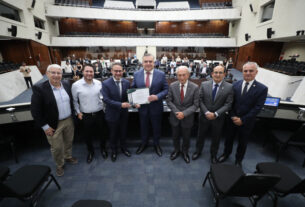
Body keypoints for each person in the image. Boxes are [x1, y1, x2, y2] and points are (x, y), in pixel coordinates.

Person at [31, 64, 78, 177]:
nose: (56, 75)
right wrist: (45, 127)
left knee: (68, 141)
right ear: (47, 74)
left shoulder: (66, 84)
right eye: (53, 72)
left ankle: (67, 156)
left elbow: (71, 102)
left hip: (68, 120)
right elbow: (35, 110)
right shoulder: (40, 89)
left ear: (62, 74)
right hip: (53, 124)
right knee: (56, 147)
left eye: (59, 73)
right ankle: (59, 164)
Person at [218, 62, 268, 167]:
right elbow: (229, 103)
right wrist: (232, 116)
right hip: (232, 119)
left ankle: (238, 160)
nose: (248, 73)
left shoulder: (262, 88)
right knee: (228, 139)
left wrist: (243, 119)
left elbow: (257, 108)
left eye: (251, 71)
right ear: (242, 72)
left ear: (256, 72)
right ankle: (226, 154)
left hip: (246, 122)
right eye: (245, 71)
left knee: (243, 143)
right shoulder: (235, 85)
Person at [192, 65, 233, 163]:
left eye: (220, 72)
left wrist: (215, 114)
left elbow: (228, 104)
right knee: (200, 135)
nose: (217, 75)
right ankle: (198, 151)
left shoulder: (229, 87)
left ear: (224, 74)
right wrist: (206, 112)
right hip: (204, 116)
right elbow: (200, 100)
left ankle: (213, 155)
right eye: (216, 72)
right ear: (212, 74)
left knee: (216, 137)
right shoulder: (204, 84)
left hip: (218, 118)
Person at [132, 53, 168, 156]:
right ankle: (144, 143)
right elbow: (132, 90)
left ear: (154, 62)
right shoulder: (136, 74)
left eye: (150, 61)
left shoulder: (160, 74)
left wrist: (157, 96)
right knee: (143, 127)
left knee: (156, 127)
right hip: (142, 108)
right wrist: (134, 102)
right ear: (142, 63)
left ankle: (156, 144)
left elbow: (166, 90)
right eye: (145, 61)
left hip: (156, 107)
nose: (148, 63)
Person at [71, 64, 107, 164]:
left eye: (91, 71)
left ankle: (103, 149)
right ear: (83, 72)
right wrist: (78, 112)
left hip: (99, 113)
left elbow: (102, 97)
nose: (89, 73)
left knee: (102, 134)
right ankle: (90, 152)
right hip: (85, 115)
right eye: (87, 71)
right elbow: (74, 101)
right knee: (88, 136)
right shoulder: (76, 85)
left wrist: (104, 109)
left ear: (93, 72)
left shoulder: (99, 83)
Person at [166, 66, 199, 163]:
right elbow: (169, 101)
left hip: (187, 117)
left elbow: (196, 104)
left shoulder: (195, 87)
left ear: (188, 75)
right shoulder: (172, 85)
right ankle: (176, 150)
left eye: (184, 75)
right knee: (175, 136)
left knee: (186, 137)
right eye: (179, 75)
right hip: (175, 117)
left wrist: (184, 114)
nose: (181, 77)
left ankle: (185, 152)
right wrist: (177, 112)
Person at [101, 63, 132, 162]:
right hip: (112, 114)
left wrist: (135, 102)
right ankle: (113, 151)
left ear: (123, 71)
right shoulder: (105, 83)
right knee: (113, 134)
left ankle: (124, 148)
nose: (118, 73)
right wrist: (120, 105)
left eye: (120, 71)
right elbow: (106, 99)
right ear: (111, 71)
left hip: (124, 114)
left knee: (123, 132)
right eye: (116, 71)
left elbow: (129, 97)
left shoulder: (126, 82)